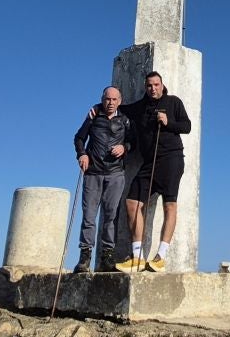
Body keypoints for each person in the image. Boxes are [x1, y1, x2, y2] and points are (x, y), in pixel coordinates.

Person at [114, 71, 191, 273]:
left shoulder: (174, 102)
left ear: (162, 85)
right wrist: (99, 108)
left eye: (156, 85)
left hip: (171, 159)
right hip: (149, 163)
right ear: (145, 87)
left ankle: (160, 257)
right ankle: (138, 257)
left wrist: (168, 122)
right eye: (149, 85)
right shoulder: (140, 107)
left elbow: (187, 126)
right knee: (132, 203)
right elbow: (119, 107)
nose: (153, 88)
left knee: (170, 205)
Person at [72, 86, 131, 273]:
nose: (110, 103)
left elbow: (135, 140)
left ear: (120, 101)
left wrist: (125, 147)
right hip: (93, 172)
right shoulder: (93, 116)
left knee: (111, 216)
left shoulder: (125, 120)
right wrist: (82, 154)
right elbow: (79, 138)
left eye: (114, 99)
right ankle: (85, 257)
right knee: (89, 215)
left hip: (115, 173)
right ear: (102, 99)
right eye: (107, 99)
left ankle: (107, 257)